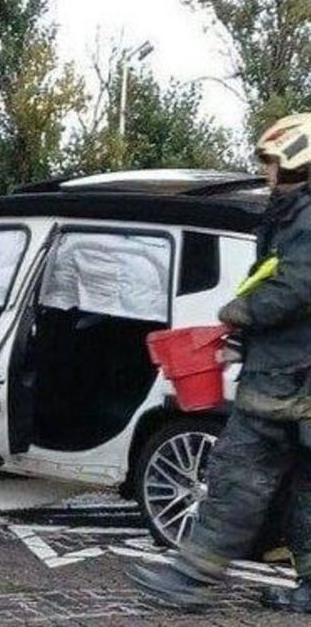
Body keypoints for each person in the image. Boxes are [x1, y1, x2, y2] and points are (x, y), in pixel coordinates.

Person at [128, 112, 311, 613]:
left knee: (238, 475)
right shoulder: (291, 213)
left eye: (273, 161)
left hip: (287, 381)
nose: (268, 170)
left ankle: (192, 580)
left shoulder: (306, 216)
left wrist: (239, 313)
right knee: (302, 491)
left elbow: (297, 286)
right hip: (288, 371)